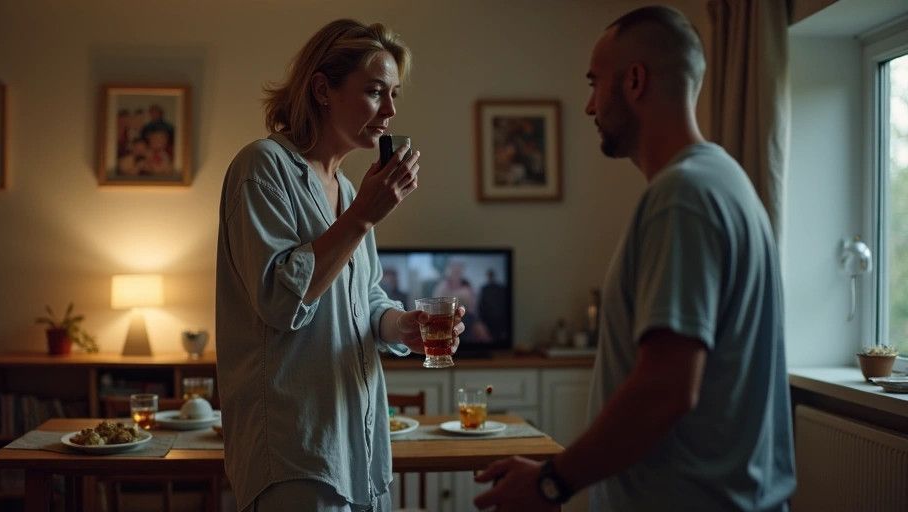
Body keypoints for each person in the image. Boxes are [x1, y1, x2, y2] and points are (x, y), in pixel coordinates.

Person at [474, 6, 796, 511]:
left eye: (594, 83)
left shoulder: (682, 196)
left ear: (635, 81)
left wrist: (550, 482)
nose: (589, 106)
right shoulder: (727, 181)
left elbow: (666, 387)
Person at [215, 19, 465, 512]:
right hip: (294, 449)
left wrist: (401, 325)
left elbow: (364, 298)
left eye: (393, 94)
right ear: (322, 90)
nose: (390, 110)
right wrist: (363, 217)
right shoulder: (263, 168)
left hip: (359, 446)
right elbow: (279, 301)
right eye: (374, 91)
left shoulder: (349, 190)